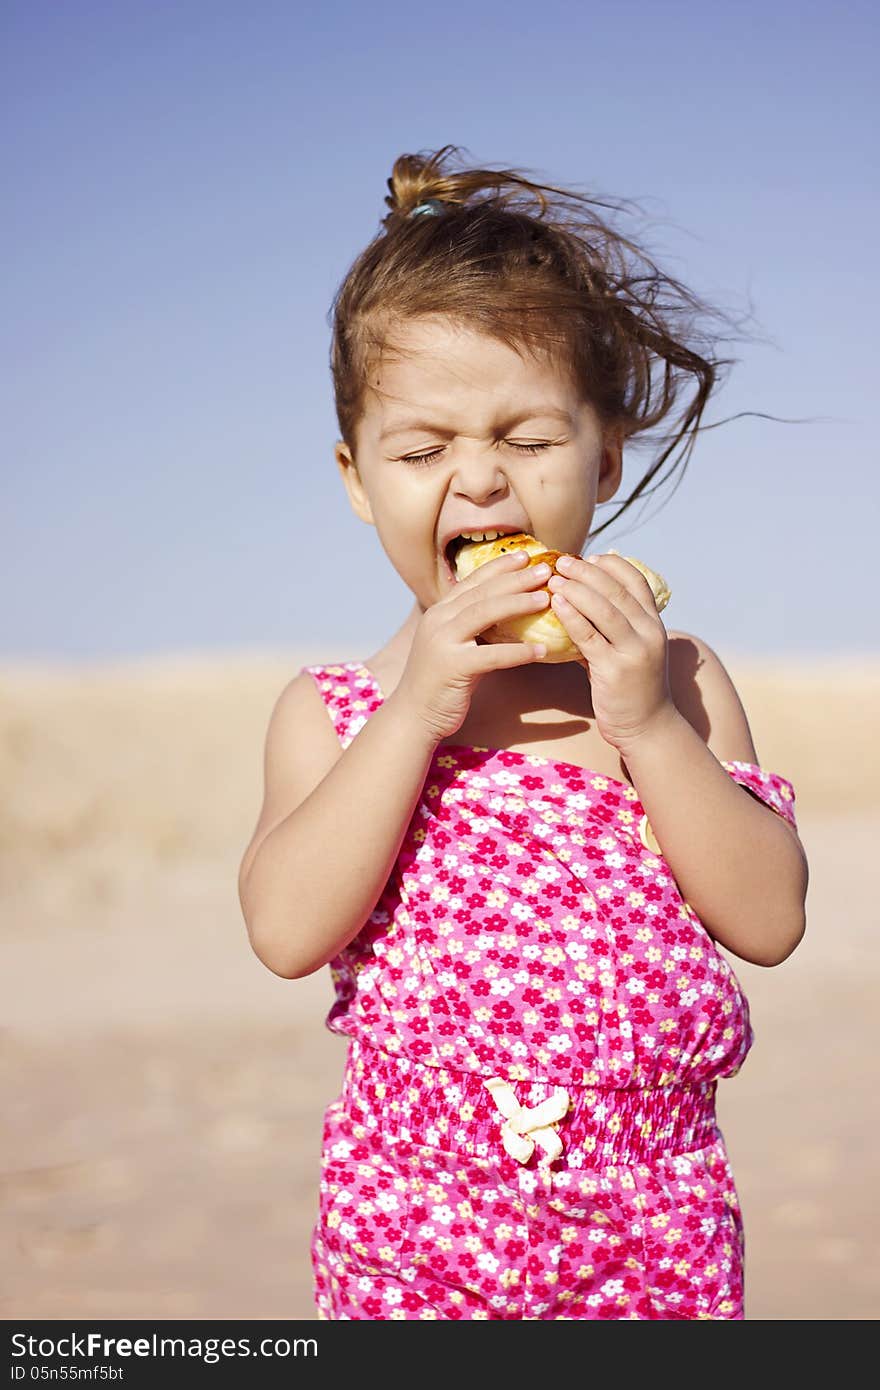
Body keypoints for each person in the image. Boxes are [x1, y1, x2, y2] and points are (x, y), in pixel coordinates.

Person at [237, 145, 809, 1321]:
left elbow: (768, 919)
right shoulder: (335, 713)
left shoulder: (679, 682)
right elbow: (287, 932)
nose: (481, 482)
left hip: (652, 1226)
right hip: (413, 1234)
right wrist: (418, 715)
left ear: (604, 457)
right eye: (422, 449)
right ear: (357, 479)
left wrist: (646, 725)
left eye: (528, 441)